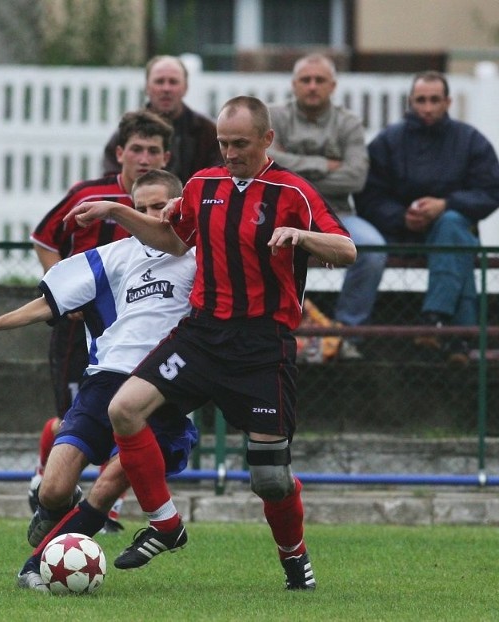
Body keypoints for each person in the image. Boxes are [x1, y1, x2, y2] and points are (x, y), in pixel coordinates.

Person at [70, 96, 356, 590]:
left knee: (269, 479)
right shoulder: (203, 185)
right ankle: (165, 524)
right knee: (125, 410)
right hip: (202, 336)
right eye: (223, 143)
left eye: (240, 144)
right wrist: (118, 209)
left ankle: (295, 556)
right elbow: (172, 241)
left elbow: (347, 248)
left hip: (262, 346)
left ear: (268, 139)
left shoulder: (294, 193)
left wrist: (300, 236)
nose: (229, 152)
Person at [0, 169, 198, 592]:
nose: (148, 215)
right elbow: (52, 299)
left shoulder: (200, 255)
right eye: (140, 208)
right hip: (104, 381)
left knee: (106, 486)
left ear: (179, 205)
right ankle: (61, 517)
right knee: (52, 489)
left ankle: (35, 565)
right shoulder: (115, 255)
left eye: (158, 206)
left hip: (160, 387)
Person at [28, 109, 173, 527]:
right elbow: (44, 238)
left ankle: (105, 508)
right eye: (137, 150)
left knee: (130, 421)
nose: (144, 159)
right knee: (75, 418)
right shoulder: (88, 194)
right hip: (82, 330)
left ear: (166, 157)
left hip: (139, 342)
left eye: (153, 151)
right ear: (119, 153)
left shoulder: (173, 207)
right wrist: (63, 293)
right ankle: (46, 480)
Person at [354, 70, 499, 365]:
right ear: (410, 101)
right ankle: (455, 334)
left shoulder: (470, 141)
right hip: (404, 235)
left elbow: (491, 190)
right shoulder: (388, 141)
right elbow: (368, 197)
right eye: (421, 100)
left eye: (435, 100)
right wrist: (403, 217)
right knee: (456, 235)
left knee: (451, 225)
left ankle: (436, 318)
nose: (428, 107)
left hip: (453, 232)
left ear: (448, 102)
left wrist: (445, 205)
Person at [268, 53, 386, 361]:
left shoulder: (349, 123)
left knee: (372, 249)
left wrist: (292, 170)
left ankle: (345, 334)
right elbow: (266, 164)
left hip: (338, 215)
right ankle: (270, 330)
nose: (312, 86)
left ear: (332, 85)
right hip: (281, 213)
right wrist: (325, 165)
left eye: (319, 80)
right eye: (305, 80)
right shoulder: (274, 117)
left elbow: (355, 178)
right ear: (294, 84)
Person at [102, 55, 222, 184]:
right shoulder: (127, 130)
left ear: (185, 87)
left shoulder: (208, 132)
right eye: (159, 81)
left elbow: (219, 179)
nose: (166, 89)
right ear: (147, 87)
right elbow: (112, 179)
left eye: (173, 82)